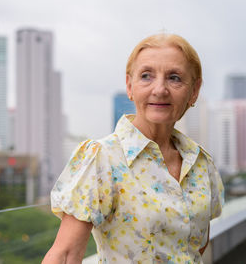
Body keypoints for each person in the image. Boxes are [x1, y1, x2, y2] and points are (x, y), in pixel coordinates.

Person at [42, 33, 224, 264]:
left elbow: (195, 246)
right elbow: (65, 255)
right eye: (146, 76)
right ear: (130, 86)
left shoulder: (201, 163)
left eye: (175, 78)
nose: (159, 89)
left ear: (194, 90)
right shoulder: (103, 158)